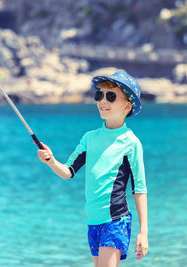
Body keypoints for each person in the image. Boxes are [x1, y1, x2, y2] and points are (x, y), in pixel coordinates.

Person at [37, 70, 148, 267]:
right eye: (99, 95)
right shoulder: (90, 138)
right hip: (93, 221)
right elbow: (68, 172)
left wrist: (143, 232)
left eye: (111, 96)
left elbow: (139, 189)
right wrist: (51, 161)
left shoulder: (131, 143)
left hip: (116, 220)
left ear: (127, 106)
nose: (103, 101)